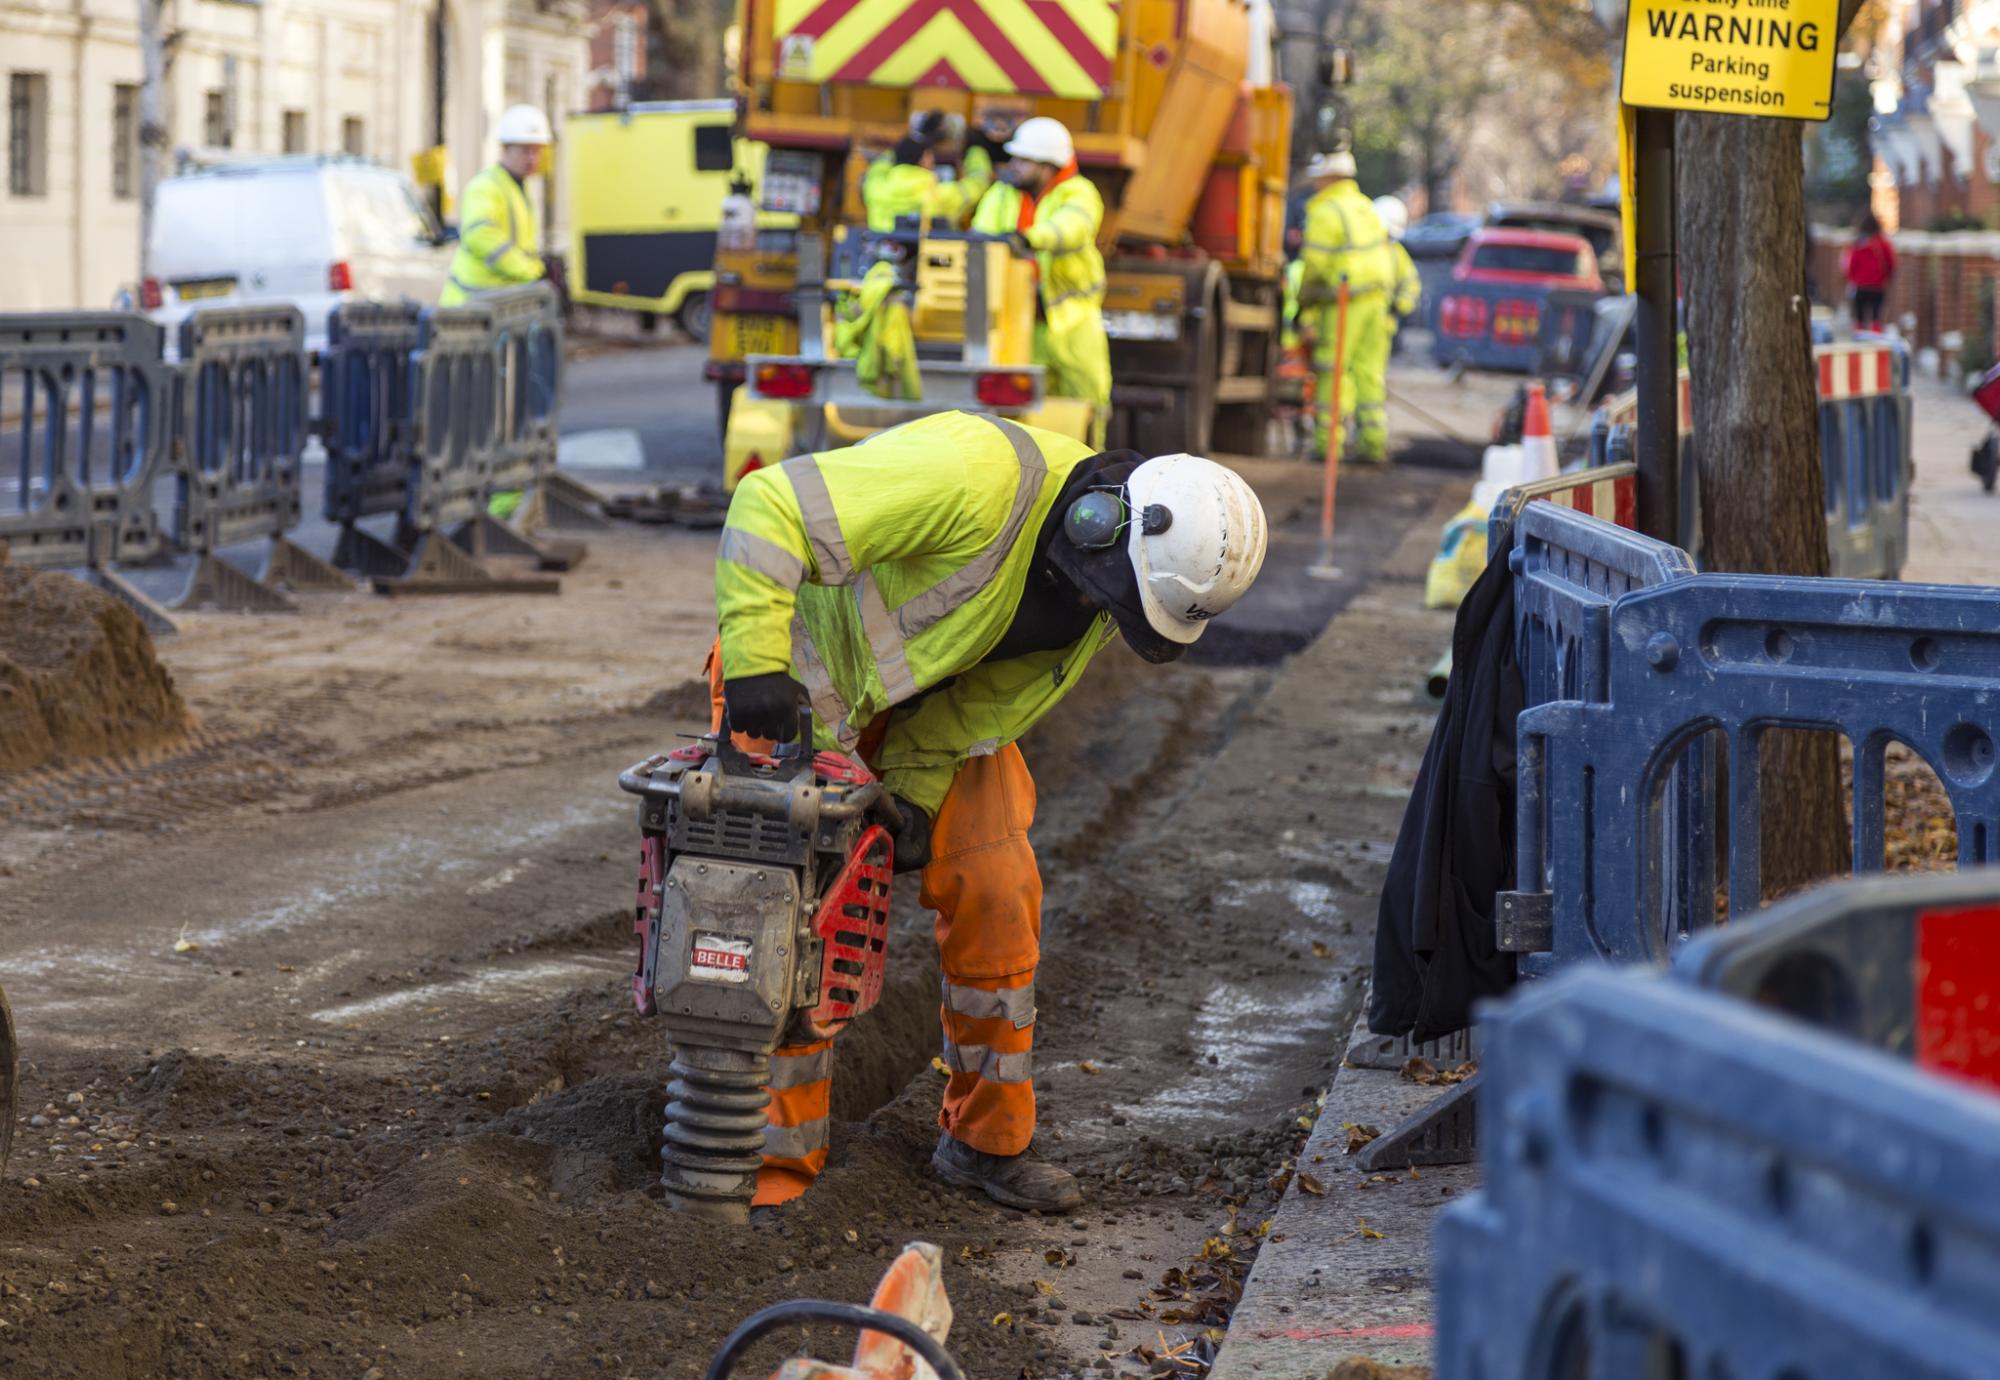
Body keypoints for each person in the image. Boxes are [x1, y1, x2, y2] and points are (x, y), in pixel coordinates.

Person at [709, 410, 1269, 1213]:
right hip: (791, 684)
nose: (1095, 606)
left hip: (913, 717)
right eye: (1106, 591)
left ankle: (985, 1144)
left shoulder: (1108, 593)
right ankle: (769, 1174)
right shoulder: (976, 475)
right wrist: (761, 667)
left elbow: (976, 706)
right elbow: (768, 505)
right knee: (793, 919)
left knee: (999, 887)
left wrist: (914, 792)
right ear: (1097, 519)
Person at [974, 117, 1111, 448]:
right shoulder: (1002, 194)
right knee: (1024, 414)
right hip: (1021, 323)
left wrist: (1029, 239)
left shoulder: (1079, 193)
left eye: (1024, 161)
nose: (1014, 166)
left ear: (1049, 166)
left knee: (1088, 401)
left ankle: (1093, 479)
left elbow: (1072, 228)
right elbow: (979, 237)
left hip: (1073, 322)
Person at [1298, 151, 1394, 464]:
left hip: (1344, 300)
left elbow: (1315, 265)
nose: (1314, 183)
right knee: (1369, 373)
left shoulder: (1326, 210)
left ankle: (1329, 445)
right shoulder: (1365, 206)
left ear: (1328, 176)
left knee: (1333, 369)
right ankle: (1372, 445)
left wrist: (1304, 303)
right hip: (1376, 301)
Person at [441, 104, 552, 306]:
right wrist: (529, 270)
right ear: (506, 148)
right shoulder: (486, 186)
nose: (532, 158)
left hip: (495, 304)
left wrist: (537, 266)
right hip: (468, 307)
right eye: (525, 150)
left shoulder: (519, 188)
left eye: (537, 151)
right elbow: (480, 235)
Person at [1373, 195, 1423, 356]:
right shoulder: (1365, 249)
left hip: (1384, 324)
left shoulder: (1397, 253)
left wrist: (1398, 306)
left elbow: (1411, 284)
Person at [1842, 211, 1896, 330]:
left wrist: (1852, 279)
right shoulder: (1883, 243)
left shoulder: (1857, 243)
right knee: (1876, 317)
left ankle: (1859, 339)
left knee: (1859, 316)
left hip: (1860, 286)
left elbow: (1851, 265)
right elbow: (1891, 263)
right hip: (1878, 286)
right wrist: (1887, 278)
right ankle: (1875, 339)